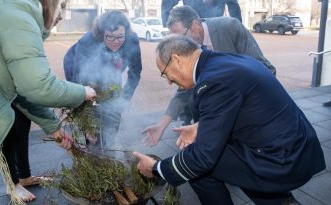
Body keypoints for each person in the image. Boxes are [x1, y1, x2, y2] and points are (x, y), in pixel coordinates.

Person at [134, 35, 325, 205]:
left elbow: (203, 158)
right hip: (297, 146)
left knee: (197, 166)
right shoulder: (225, 62)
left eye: (165, 73)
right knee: (229, 159)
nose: (168, 81)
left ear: (176, 59)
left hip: (283, 159)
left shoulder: (212, 83)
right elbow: (246, 109)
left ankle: (276, 198)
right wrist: (202, 127)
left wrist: (157, 168)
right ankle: (280, 201)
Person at [0, 0, 97, 204]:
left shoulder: (2, 6)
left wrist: (54, 127)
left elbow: (20, 88)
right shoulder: (20, 10)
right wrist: (82, 92)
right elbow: (38, 85)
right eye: (63, 5)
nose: (60, 15)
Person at [143, 5, 276, 147]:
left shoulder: (230, 27)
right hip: (213, 117)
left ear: (195, 25)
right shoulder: (188, 49)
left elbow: (265, 69)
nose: (177, 44)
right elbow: (183, 90)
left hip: (249, 115)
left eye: (180, 36)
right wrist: (161, 126)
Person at [63, 10, 142, 148]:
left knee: (113, 108)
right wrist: (88, 122)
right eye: (110, 37)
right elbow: (79, 83)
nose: (115, 42)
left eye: (120, 37)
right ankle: (89, 143)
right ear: (101, 34)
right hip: (79, 72)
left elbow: (135, 72)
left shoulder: (132, 40)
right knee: (93, 115)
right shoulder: (87, 43)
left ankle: (109, 144)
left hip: (112, 70)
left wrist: (123, 99)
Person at [161, 0, 242, 27]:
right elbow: (167, 3)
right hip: (192, 27)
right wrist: (169, 24)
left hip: (215, 28)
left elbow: (233, 6)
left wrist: (238, 26)